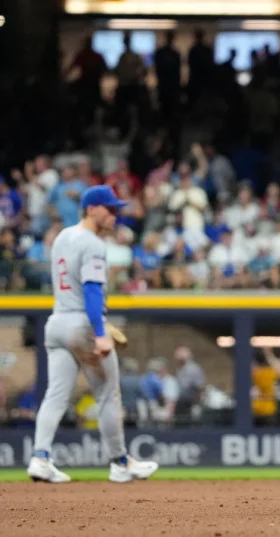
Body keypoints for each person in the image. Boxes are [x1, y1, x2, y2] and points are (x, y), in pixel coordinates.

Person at [26, 185, 158, 484]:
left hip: (56, 322)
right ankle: (120, 462)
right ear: (91, 209)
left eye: (115, 208)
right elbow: (91, 289)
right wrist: (99, 332)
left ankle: (41, 458)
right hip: (81, 325)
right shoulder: (94, 244)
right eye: (109, 208)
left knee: (55, 395)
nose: (115, 213)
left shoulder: (62, 236)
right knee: (108, 394)